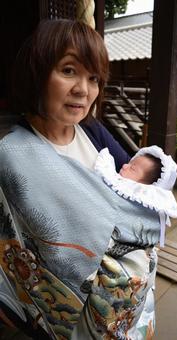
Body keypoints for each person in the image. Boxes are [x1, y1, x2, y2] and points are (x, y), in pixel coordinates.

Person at [0, 19, 164, 340]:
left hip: (125, 303)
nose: (83, 90)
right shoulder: (14, 154)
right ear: (37, 72)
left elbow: (136, 194)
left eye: (94, 78)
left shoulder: (92, 131)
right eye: (69, 71)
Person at [95, 145, 177, 247]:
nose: (124, 166)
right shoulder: (115, 179)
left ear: (145, 187)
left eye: (132, 168)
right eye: (129, 163)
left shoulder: (138, 195)